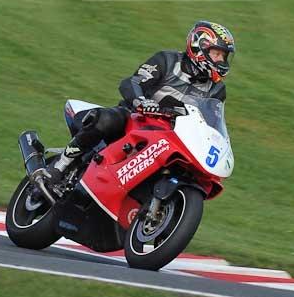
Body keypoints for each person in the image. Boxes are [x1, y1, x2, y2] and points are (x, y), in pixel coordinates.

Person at [43, 21, 235, 190]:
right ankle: (60, 165)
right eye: (216, 53)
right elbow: (132, 83)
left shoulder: (217, 91)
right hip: (136, 119)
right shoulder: (167, 61)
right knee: (108, 120)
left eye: (224, 56)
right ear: (198, 47)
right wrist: (142, 103)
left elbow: (212, 122)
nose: (221, 60)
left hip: (173, 136)